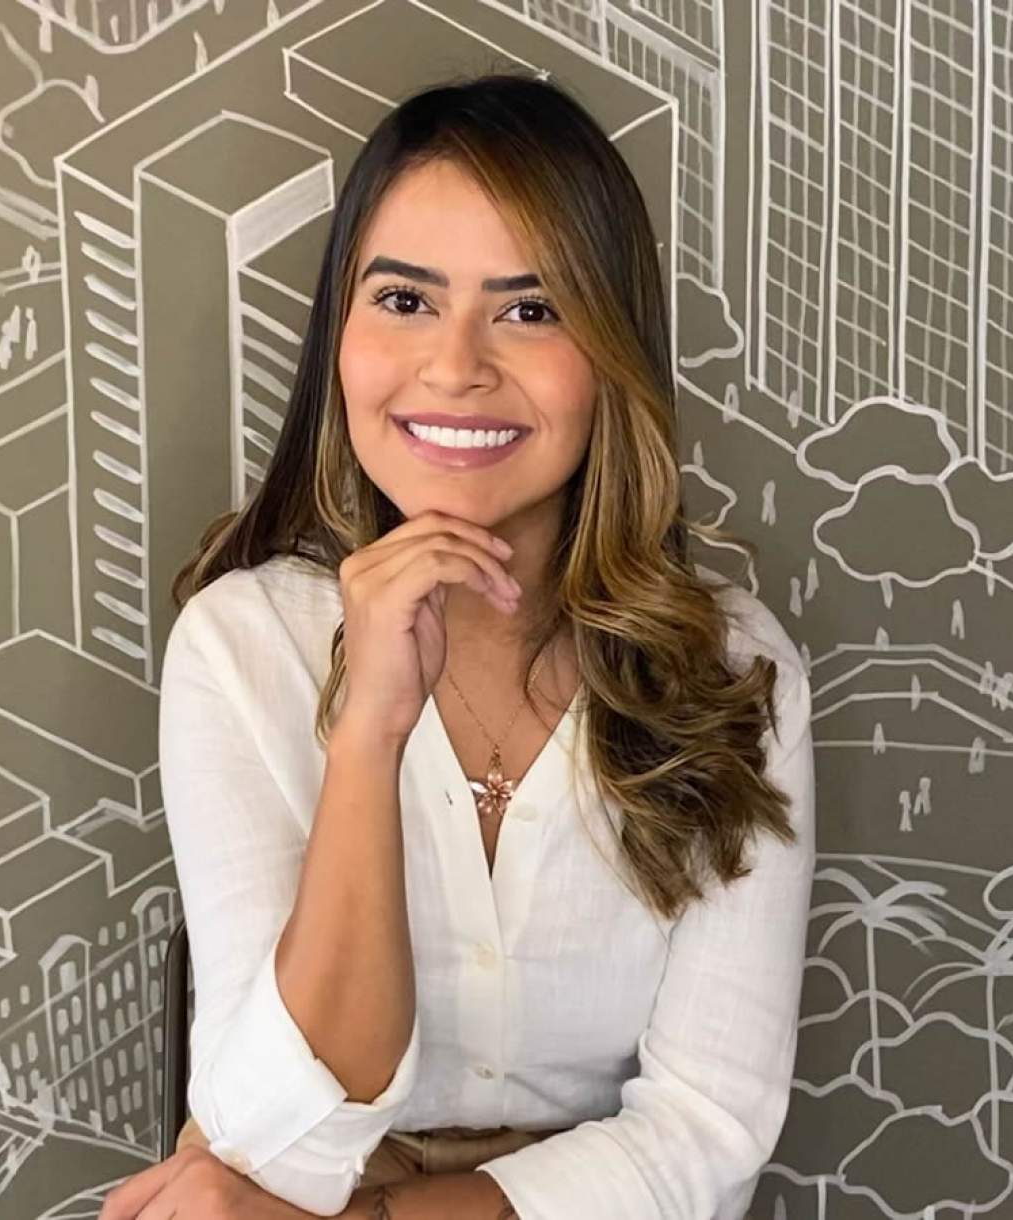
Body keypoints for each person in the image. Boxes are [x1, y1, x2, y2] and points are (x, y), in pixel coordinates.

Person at [101, 71, 815, 1220]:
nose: (454, 366)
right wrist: (368, 732)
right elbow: (274, 1130)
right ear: (339, 335)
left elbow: (707, 1130)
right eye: (403, 299)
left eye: (529, 310)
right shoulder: (241, 645)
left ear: (610, 352)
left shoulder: (732, 669)